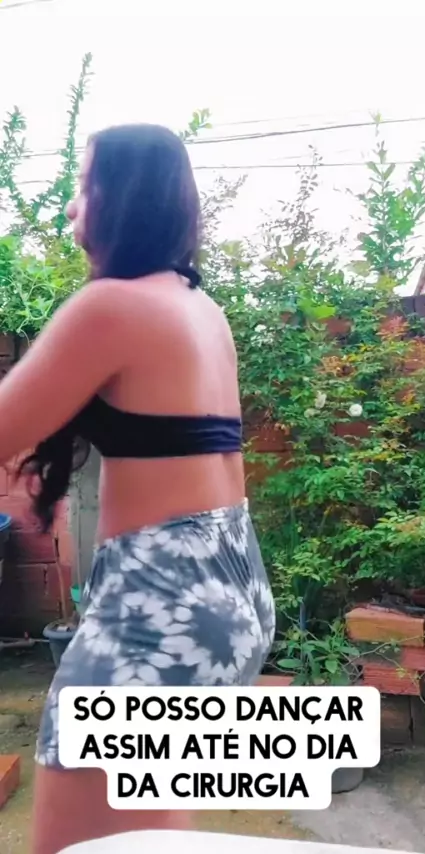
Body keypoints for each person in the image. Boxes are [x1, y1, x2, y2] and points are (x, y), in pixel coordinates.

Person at [0, 124, 276, 854]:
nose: (69, 205)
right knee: (141, 837)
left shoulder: (112, 308)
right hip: (230, 595)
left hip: (163, 609)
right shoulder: (199, 307)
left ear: (124, 197)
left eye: (83, 184)